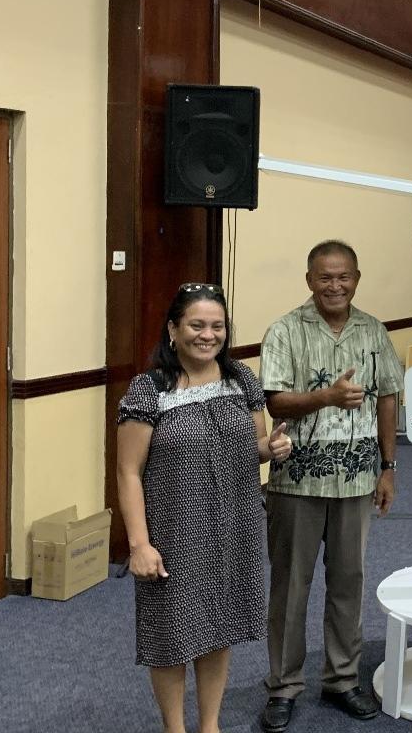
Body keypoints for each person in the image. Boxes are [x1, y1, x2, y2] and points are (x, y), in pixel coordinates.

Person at [117, 282, 291, 733]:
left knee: (220, 626)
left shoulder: (241, 380)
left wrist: (272, 448)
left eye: (217, 326)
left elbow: (253, 448)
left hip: (234, 524)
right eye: (197, 325)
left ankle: (209, 725)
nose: (208, 335)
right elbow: (128, 472)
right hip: (174, 533)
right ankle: (174, 728)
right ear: (174, 329)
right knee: (171, 636)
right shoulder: (148, 389)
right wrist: (139, 544)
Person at [258, 240, 403, 731]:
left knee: (348, 584)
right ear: (309, 280)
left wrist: (388, 466)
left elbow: (387, 398)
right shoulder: (284, 330)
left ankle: (342, 679)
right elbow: (274, 402)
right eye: (325, 277)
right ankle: (283, 687)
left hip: (358, 482)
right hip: (296, 484)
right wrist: (327, 397)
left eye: (343, 277)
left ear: (357, 279)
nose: (334, 286)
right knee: (290, 588)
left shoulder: (374, 331)